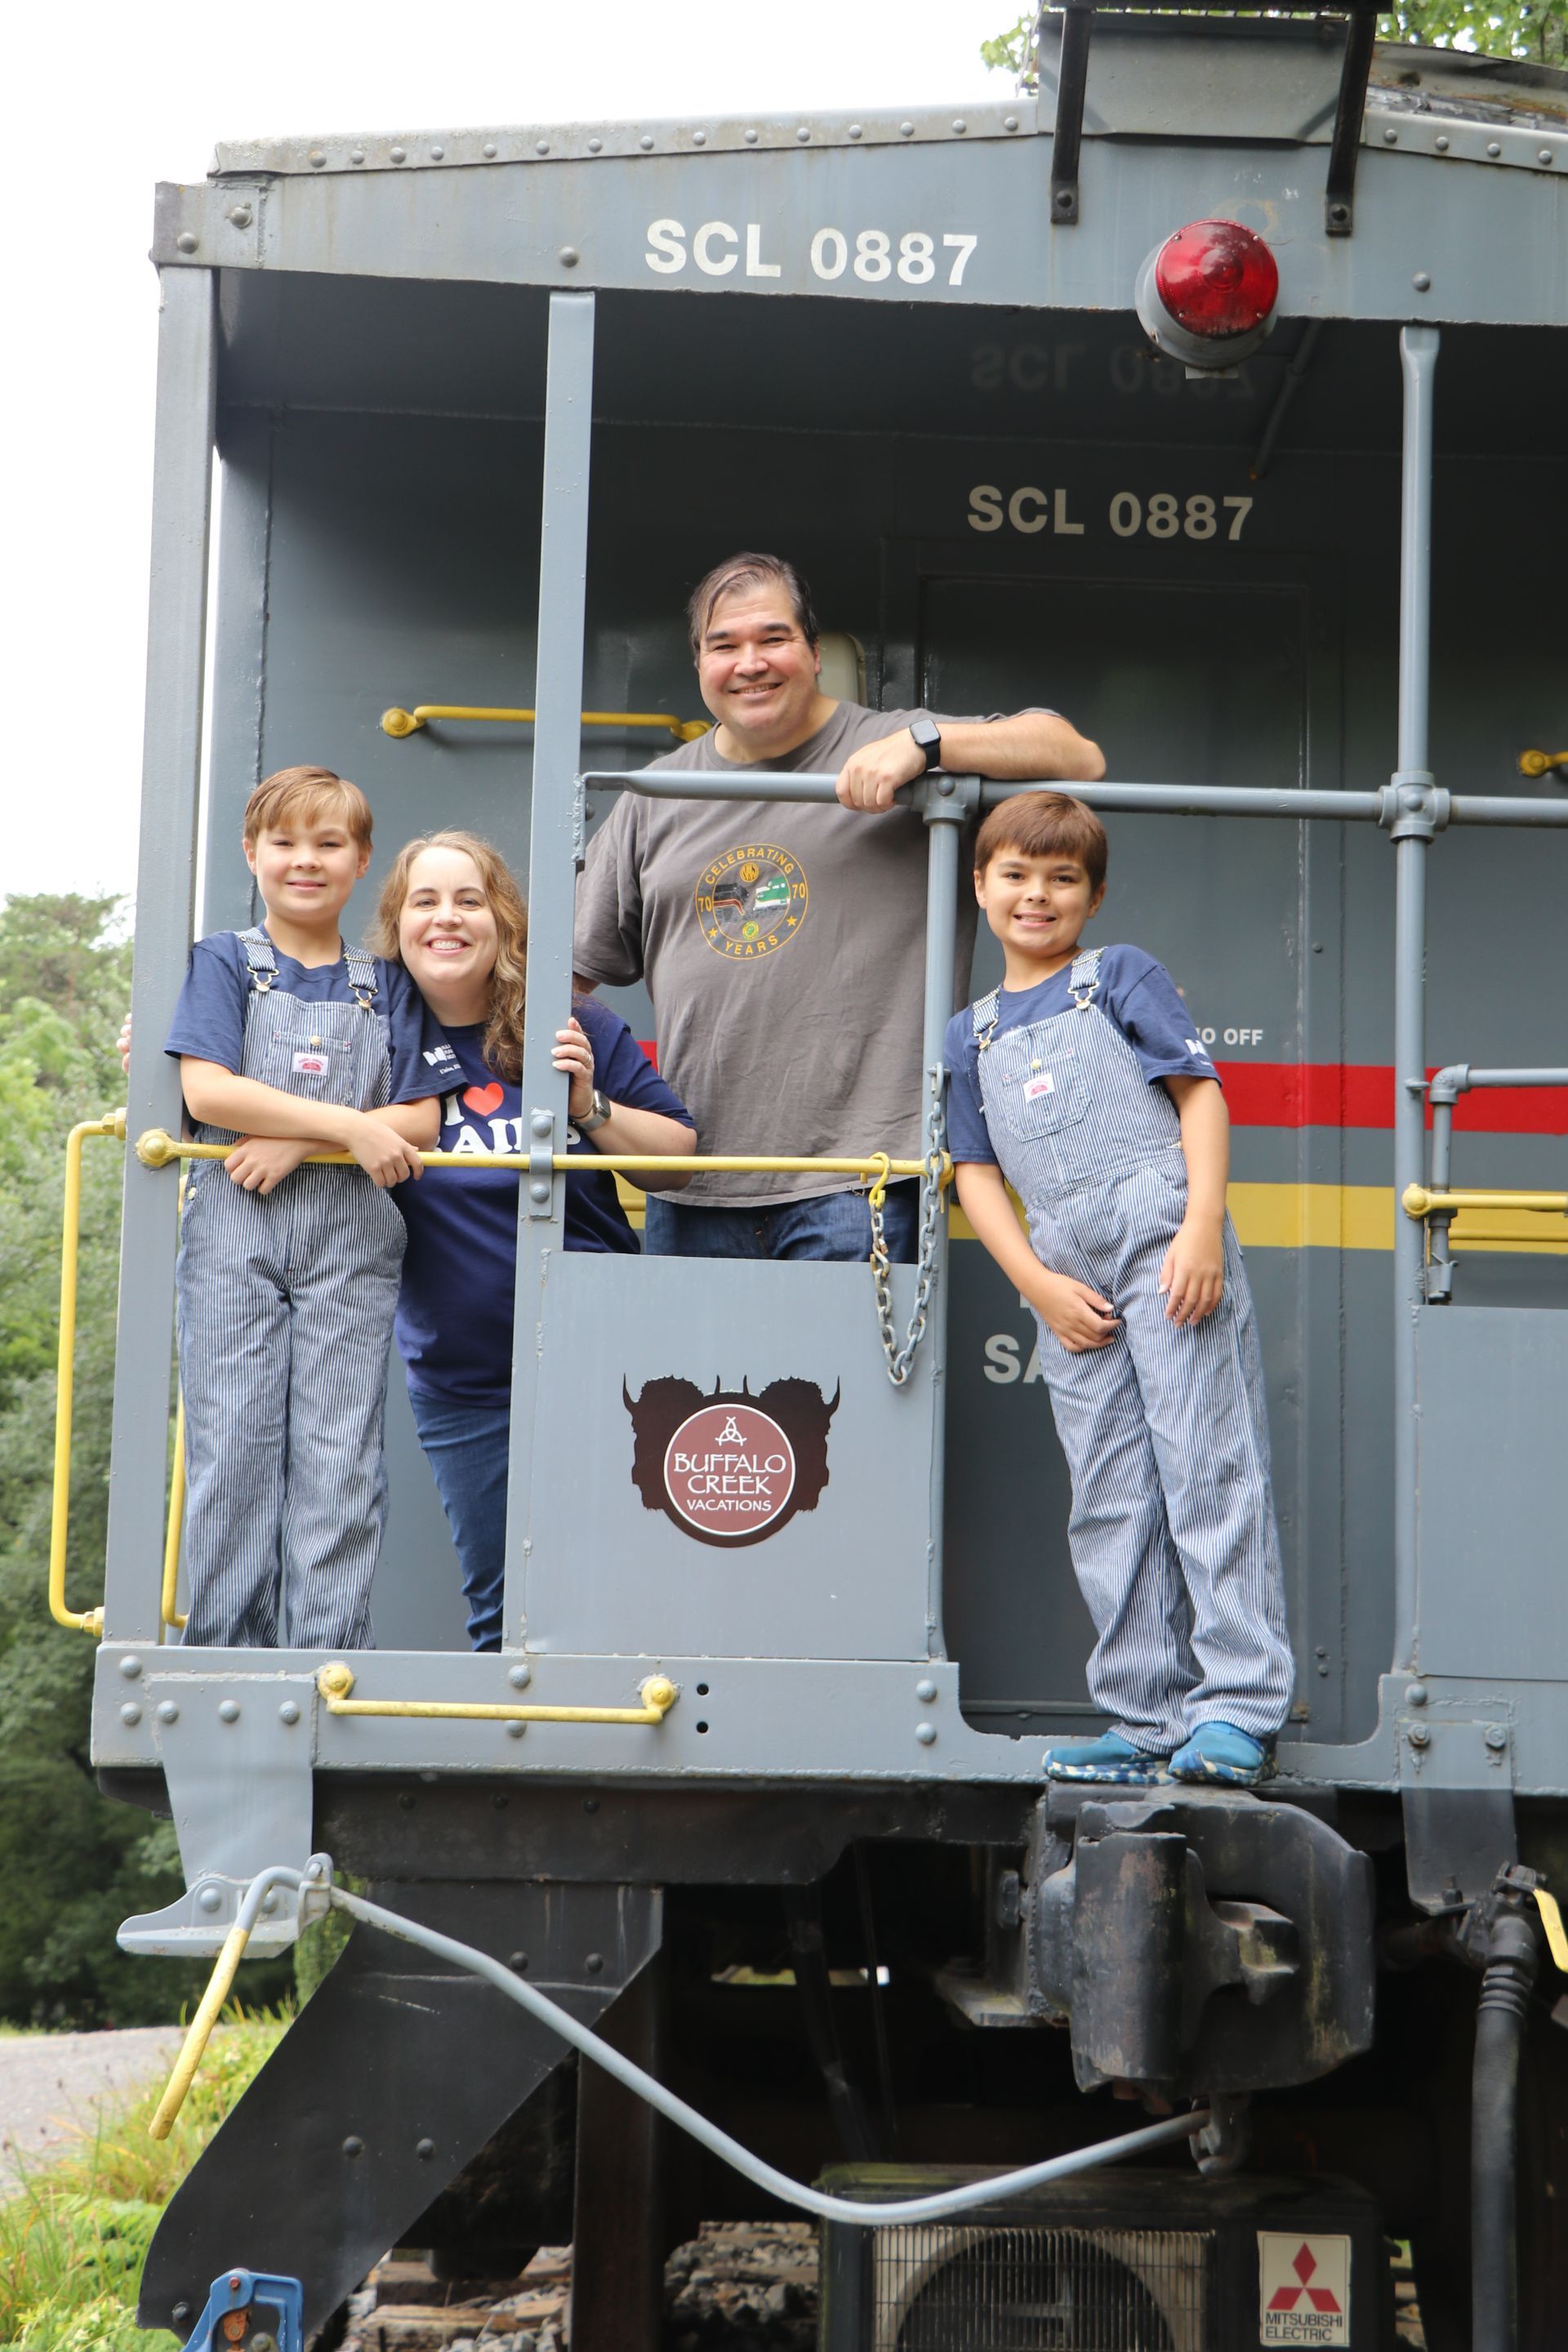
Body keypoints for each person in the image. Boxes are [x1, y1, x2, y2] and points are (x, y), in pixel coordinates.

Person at [572, 551, 1104, 1263]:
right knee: (694, 1383)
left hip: (865, 1180)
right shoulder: (654, 795)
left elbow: (1075, 755)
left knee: (843, 1383)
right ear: (699, 664)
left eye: (773, 639)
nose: (749, 663)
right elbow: (568, 977)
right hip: (696, 1185)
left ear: (815, 653)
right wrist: (598, 1111)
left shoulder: (899, 744)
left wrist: (926, 746)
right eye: (723, 645)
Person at [945, 791, 1294, 1788]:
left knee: (1206, 1467)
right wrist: (1036, 1286)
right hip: (1065, 1280)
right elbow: (974, 1173)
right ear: (981, 887)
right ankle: (1142, 1718)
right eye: (1015, 874)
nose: (1036, 895)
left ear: (1093, 897)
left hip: (1161, 1243)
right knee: (1107, 1495)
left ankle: (1235, 1706)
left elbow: (1201, 1095)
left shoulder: (1118, 979)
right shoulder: (966, 1035)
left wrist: (1199, 1231)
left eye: (1062, 879)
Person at [371, 831, 696, 1650]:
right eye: (425, 901)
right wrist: (155, 1063)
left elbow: (678, 1164)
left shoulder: (571, 1021)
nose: (447, 919)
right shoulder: (370, 1024)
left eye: (469, 900)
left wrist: (591, 1107)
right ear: (397, 924)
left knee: (632, 1594)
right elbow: (254, 1076)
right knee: (504, 1609)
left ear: (504, 922)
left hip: (608, 1365)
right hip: (464, 1381)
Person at [163, 766, 441, 1650]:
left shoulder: (389, 982)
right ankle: (225, 1664)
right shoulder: (220, 960)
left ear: (362, 862)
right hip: (235, 1241)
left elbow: (423, 1118)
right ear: (252, 854)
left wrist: (302, 1139)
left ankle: (326, 1666)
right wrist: (344, 1127)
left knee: (340, 1462)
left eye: (329, 845)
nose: (305, 862)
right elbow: (208, 1092)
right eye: (284, 843)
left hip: (351, 1246)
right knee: (232, 1453)